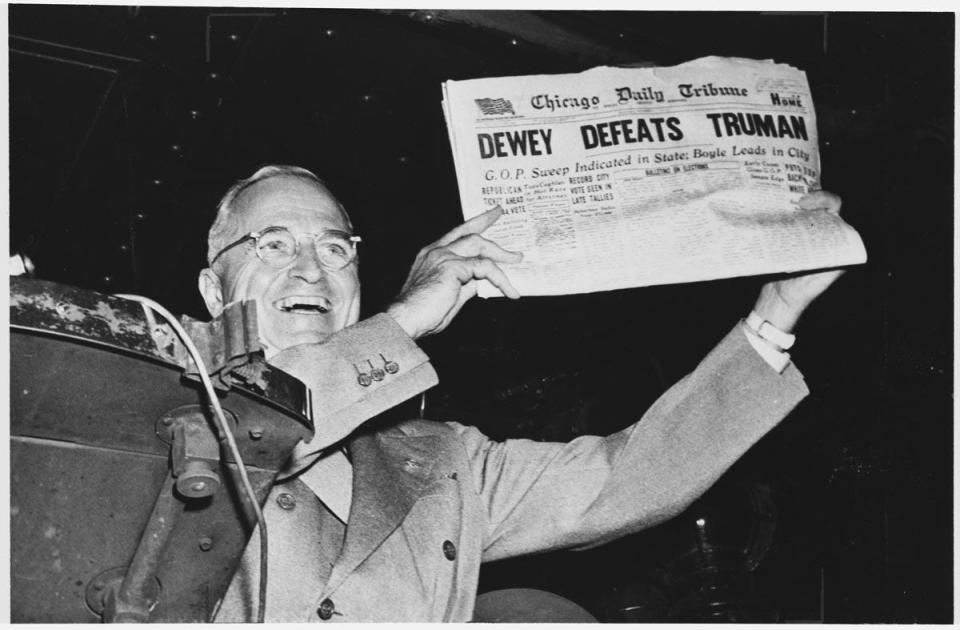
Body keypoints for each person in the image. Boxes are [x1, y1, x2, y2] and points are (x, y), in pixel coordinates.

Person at [199, 164, 844, 622]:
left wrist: (774, 314)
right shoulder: (154, 393)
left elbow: (621, 479)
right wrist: (400, 324)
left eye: (335, 248)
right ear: (211, 291)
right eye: (273, 244)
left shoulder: (439, 462)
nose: (310, 268)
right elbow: (255, 433)